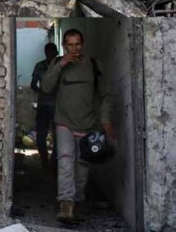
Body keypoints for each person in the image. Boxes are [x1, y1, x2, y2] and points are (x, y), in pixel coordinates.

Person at [41, 29, 114, 223]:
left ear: (83, 44)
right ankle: (66, 204)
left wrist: (105, 120)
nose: (74, 48)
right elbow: (45, 87)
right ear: (64, 45)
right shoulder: (58, 63)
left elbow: (105, 95)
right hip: (64, 122)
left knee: (82, 167)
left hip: (87, 124)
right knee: (65, 161)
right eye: (70, 45)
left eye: (77, 44)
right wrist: (60, 65)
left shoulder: (93, 65)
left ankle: (78, 201)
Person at [30, 43, 58, 168]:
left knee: (58, 135)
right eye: (48, 52)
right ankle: (44, 160)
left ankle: (54, 160)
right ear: (45, 53)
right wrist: (42, 91)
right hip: (43, 105)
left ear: (56, 52)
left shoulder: (60, 65)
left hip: (58, 106)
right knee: (41, 134)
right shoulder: (40, 66)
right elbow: (33, 84)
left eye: (53, 52)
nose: (51, 54)